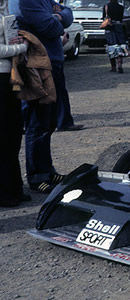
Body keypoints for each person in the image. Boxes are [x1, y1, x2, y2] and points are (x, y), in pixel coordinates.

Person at [16, 0, 73, 192]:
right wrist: (57, 17)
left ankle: (47, 170)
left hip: (53, 63)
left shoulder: (45, 0)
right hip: (38, 67)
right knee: (38, 122)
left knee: (48, 122)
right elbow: (50, 28)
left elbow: (69, 13)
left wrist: (58, 15)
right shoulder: (25, 1)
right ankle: (36, 176)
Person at [0, 0, 30, 207]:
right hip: (1, 78)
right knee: (3, 136)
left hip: (9, 77)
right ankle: (5, 192)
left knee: (13, 134)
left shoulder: (6, 8)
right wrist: (22, 47)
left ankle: (14, 188)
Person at [103, 0, 129, 73]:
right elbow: (121, 18)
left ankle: (113, 67)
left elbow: (104, 18)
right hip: (119, 27)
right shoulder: (121, 7)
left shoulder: (106, 6)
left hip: (109, 28)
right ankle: (120, 64)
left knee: (111, 46)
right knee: (120, 46)